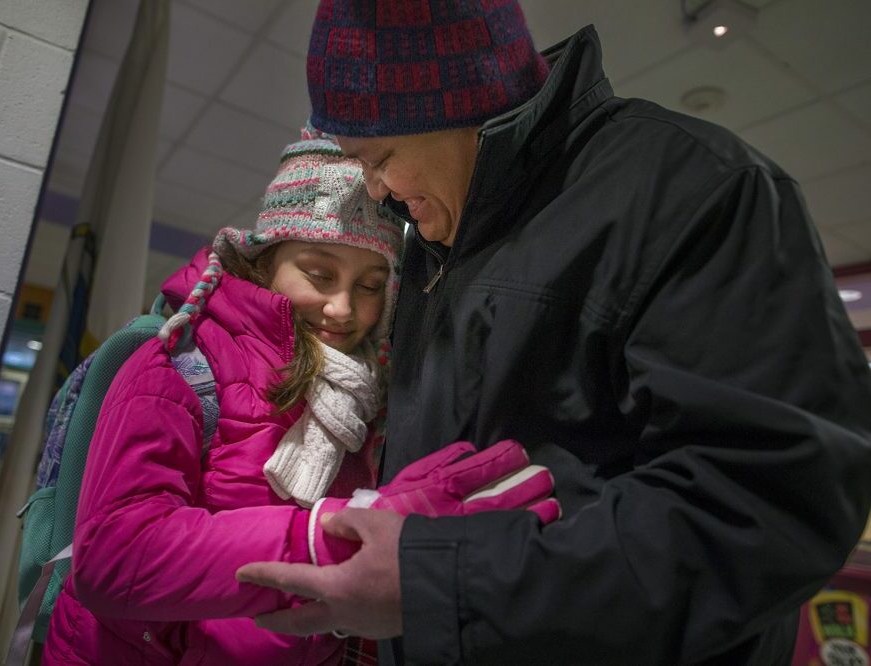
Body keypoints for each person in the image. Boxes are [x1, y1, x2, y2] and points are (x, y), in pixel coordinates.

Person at [236, 3, 871, 664]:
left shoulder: (699, 193)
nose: (375, 189)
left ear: (447, 106)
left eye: (378, 157)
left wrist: (441, 583)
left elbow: (765, 509)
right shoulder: (435, 239)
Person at [41, 130, 558, 665]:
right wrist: (329, 535)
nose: (342, 309)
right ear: (265, 261)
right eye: (319, 273)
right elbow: (115, 556)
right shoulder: (181, 362)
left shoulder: (367, 399)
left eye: (370, 285)